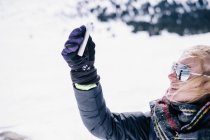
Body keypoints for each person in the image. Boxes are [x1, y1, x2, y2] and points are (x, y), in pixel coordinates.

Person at [61, 25, 210, 140]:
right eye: (174, 68)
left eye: (182, 71)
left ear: (207, 84)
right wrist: (84, 74)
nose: (171, 76)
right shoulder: (159, 123)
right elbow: (104, 126)